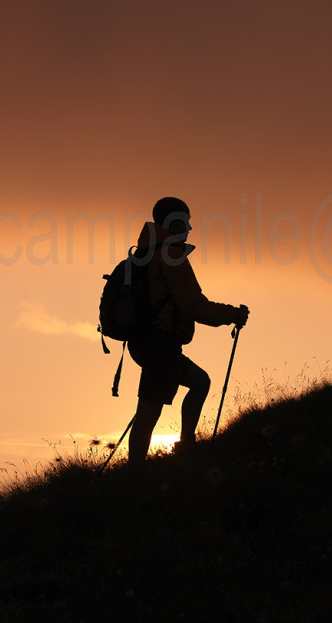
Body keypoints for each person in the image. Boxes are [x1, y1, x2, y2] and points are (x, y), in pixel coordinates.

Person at [127, 196, 249, 467]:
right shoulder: (170, 256)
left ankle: (185, 447)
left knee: (199, 382)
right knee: (148, 412)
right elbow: (195, 306)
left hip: (144, 342)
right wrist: (234, 314)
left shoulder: (143, 253)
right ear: (175, 221)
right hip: (160, 344)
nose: (191, 227)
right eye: (186, 220)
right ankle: (134, 475)